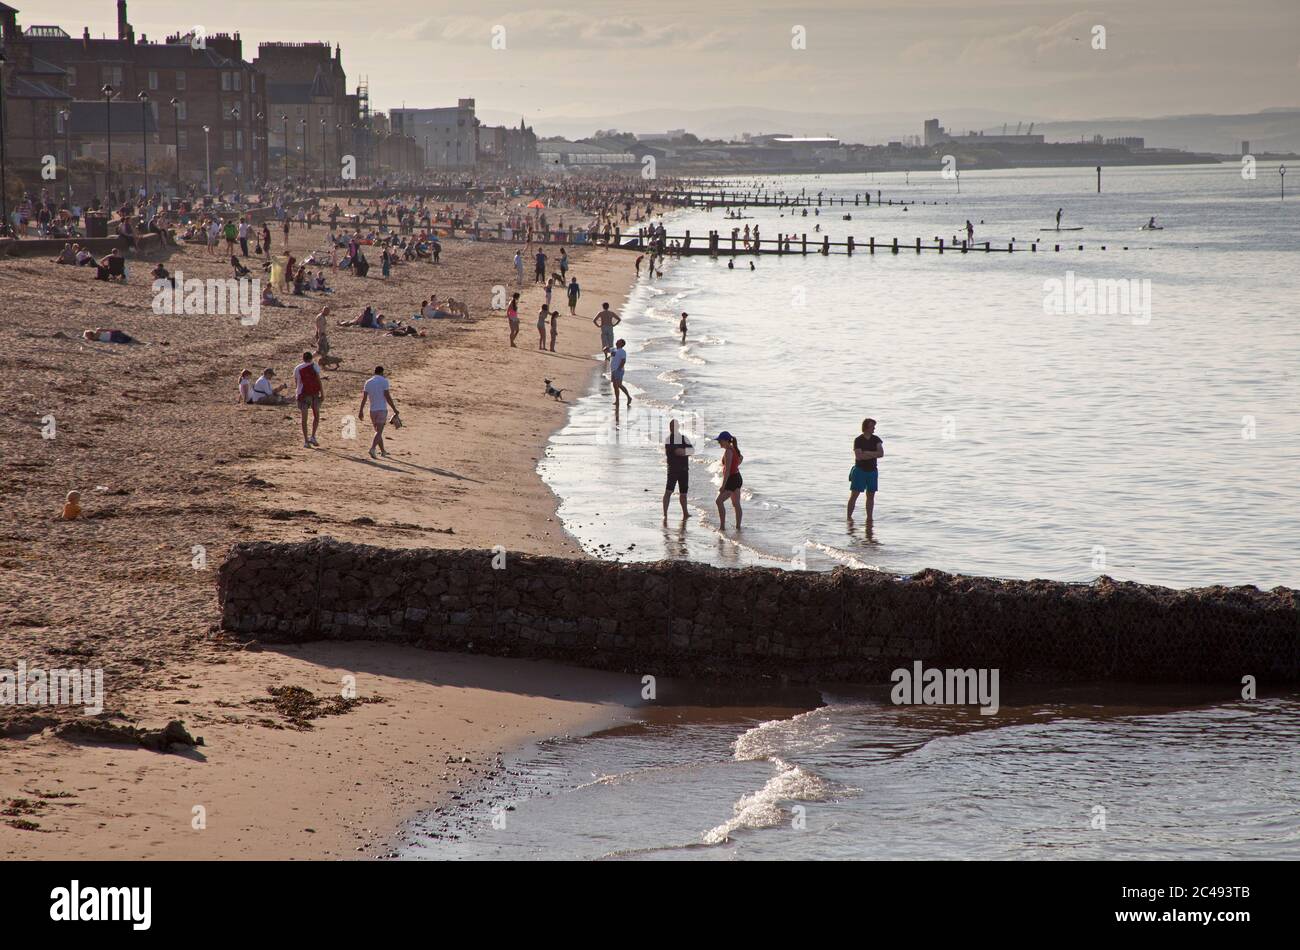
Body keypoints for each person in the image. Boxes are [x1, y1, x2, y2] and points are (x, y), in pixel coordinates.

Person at [847, 417, 884, 526]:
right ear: (866, 427)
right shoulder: (858, 440)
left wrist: (867, 453)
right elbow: (859, 456)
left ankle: (869, 518)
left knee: (871, 495)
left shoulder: (876, 439)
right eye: (872, 426)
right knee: (855, 494)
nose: (874, 428)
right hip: (860, 470)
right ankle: (849, 517)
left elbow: (881, 453)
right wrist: (873, 454)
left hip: (872, 470)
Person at [359, 365, 398, 459]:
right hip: (382, 409)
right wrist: (394, 409)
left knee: (377, 431)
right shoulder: (384, 381)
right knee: (379, 431)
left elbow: (364, 398)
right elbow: (387, 396)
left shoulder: (368, 382)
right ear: (382, 372)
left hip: (372, 410)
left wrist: (361, 411)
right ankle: (372, 449)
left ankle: (383, 451)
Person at [663, 418, 692, 519]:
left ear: (678, 427)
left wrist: (683, 451)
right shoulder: (668, 440)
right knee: (668, 492)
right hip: (673, 470)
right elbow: (676, 452)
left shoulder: (684, 438)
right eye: (670, 426)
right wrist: (685, 451)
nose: (672, 428)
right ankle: (665, 514)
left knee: (683, 493)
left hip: (684, 470)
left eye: (674, 426)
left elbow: (692, 450)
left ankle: (685, 513)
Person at [294, 351, 324, 448]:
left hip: (302, 395)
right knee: (316, 415)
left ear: (303, 358)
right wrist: (322, 394)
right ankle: (313, 436)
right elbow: (319, 380)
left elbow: (296, 383)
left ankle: (306, 441)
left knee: (304, 419)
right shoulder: (314, 366)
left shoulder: (297, 368)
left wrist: (297, 394)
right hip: (314, 394)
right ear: (311, 358)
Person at [714, 431, 743, 528]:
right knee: (736, 503)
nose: (719, 443)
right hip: (737, 477)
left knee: (719, 501)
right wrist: (736, 465)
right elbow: (741, 458)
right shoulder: (733, 449)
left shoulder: (728, 451)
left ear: (726, 441)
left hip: (732, 479)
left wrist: (723, 486)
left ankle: (722, 526)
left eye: (720, 441)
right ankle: (738, 527)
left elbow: (727, 470)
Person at [610, 338, 631, 407]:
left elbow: (623, 361)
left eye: (618, 341)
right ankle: (617, 401)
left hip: (619, 370)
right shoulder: (614, 349)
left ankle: (628, 397)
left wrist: (619, 368)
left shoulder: (622, 351)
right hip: (613, 370)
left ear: (621, 344)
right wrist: (606, 348)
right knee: (615, 386)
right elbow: (606, 350)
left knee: (619, 384)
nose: (616, 341)